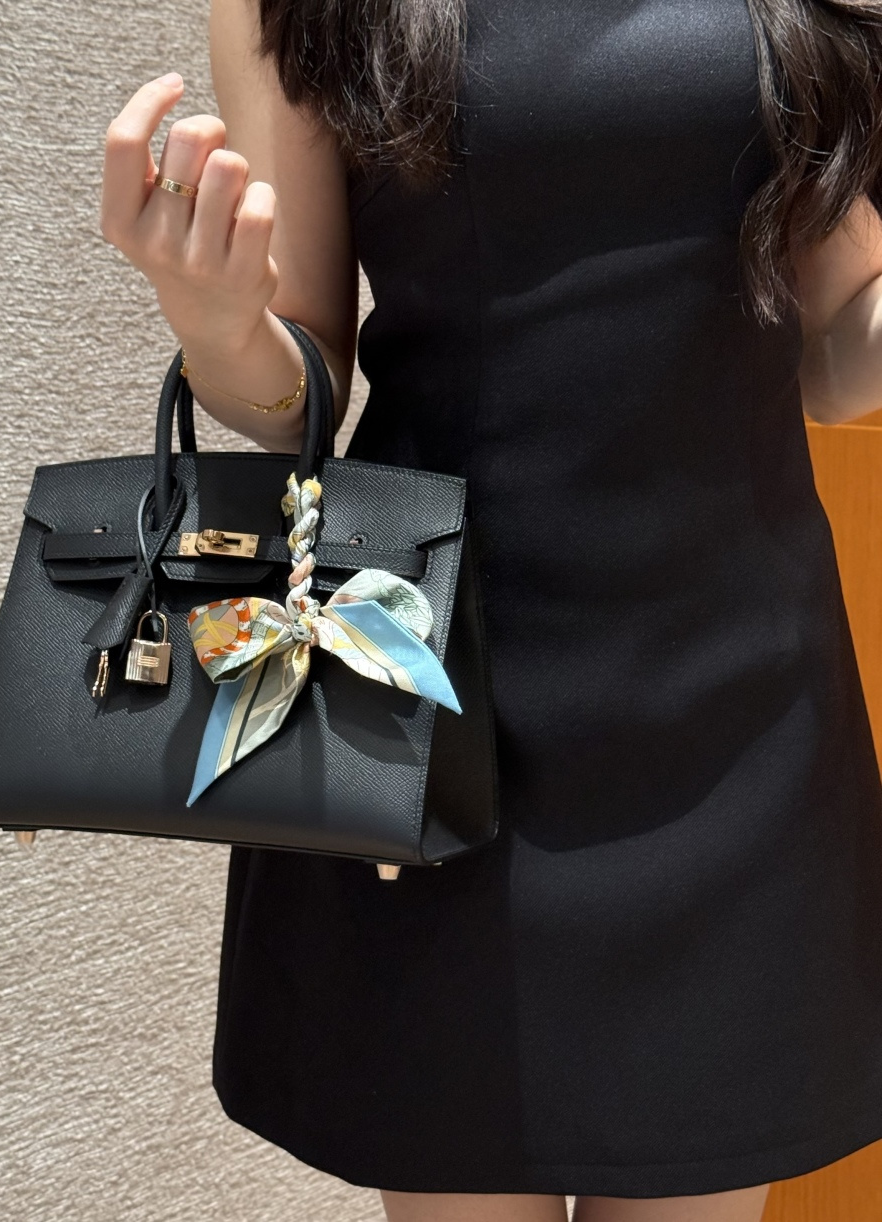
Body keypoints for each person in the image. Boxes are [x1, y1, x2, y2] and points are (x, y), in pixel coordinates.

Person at [99, 1, 882, 1219]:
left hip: (736, 709)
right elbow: (302, 381)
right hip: (426, 701)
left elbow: (833, 351)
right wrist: (216, 325)